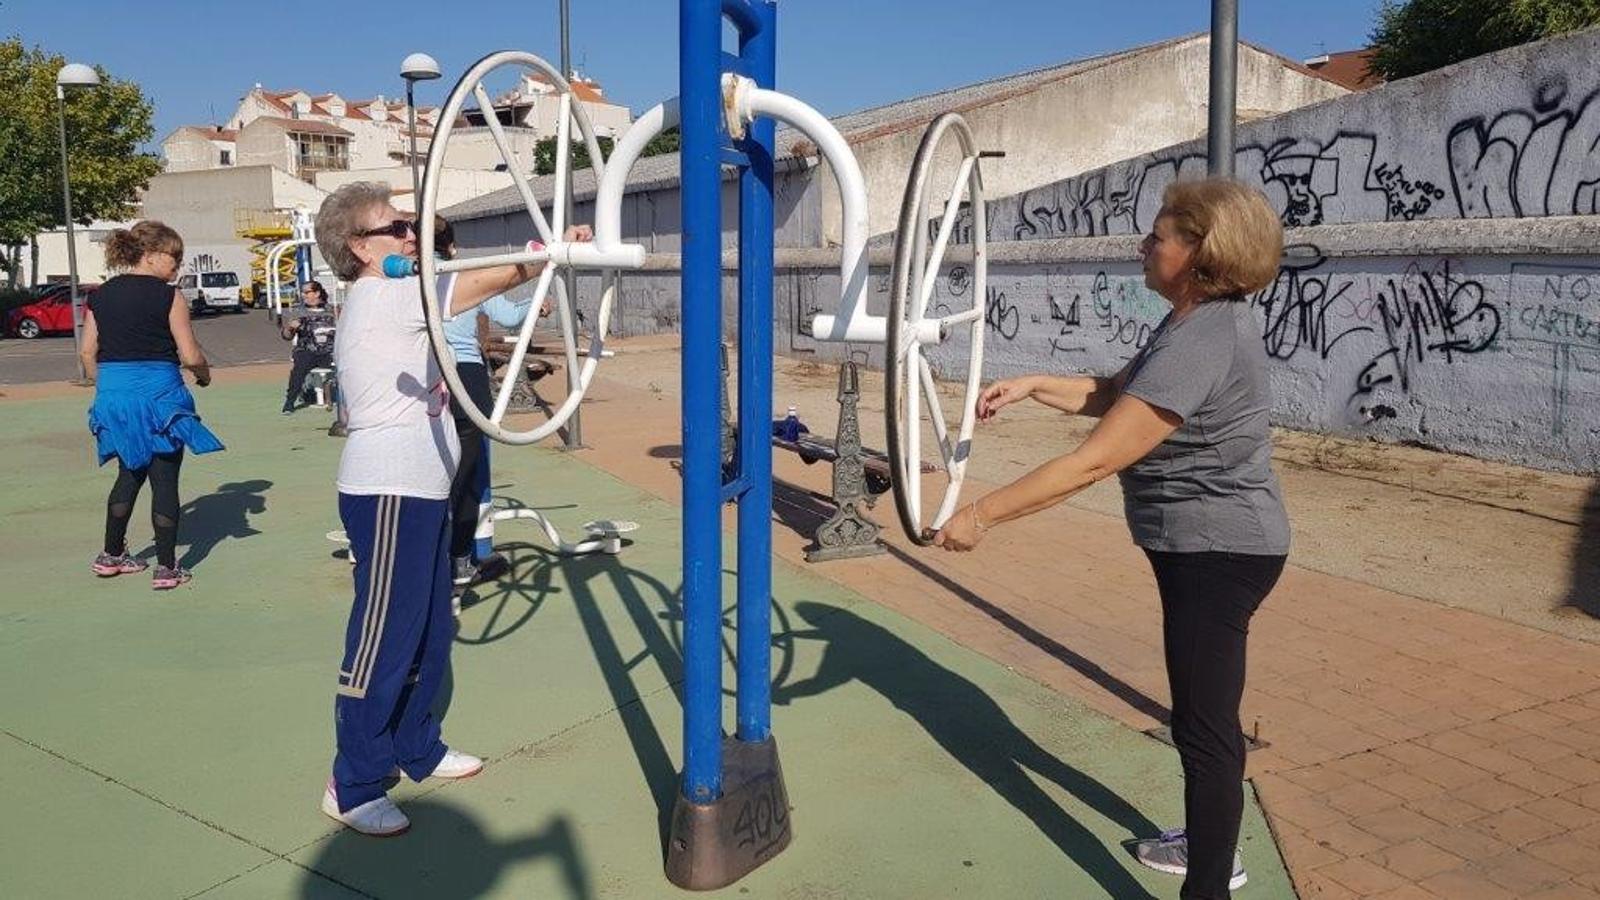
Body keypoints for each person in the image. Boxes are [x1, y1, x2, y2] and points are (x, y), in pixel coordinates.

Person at [933, 177, 1289, 900]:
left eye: (1157, 237)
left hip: (1217, 552)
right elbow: (1112, 393)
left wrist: (981, 516)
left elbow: (1096, 458)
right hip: (1204, 545)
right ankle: (1210, 842)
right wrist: (1034, 383)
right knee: (1202, 719)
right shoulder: (1191, 322)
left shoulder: (1207, 336)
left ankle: (1211, 881)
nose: (1143, 246)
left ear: (1197, 251)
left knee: (1204, 726)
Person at [313, 181, 592, 836]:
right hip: (386, 491)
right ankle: (351, 783)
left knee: (432, 626)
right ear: (358, 248)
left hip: (421, 490)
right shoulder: (383, 294)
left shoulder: (397, 292)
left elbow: (477, 284)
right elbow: (474, 285)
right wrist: (544, 252)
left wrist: (539, 256)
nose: (411, 236)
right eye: (395, 229)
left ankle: (417, 745)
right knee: (383, 637)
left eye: (409, 226)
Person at [81, 221, 224, 591]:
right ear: (149, 256)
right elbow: (190, 354)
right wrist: (204, 376)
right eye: (174, 257)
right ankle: (166, 567)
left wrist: (110, 388)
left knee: (129, 473)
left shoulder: (98, 296)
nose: (178, 265)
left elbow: (86, 352)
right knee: (164, 479)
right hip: (160, 394)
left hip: (114, 394)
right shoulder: (169, 296)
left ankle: (111, 555)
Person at [434, 215, 551, 587]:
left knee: (429, 464)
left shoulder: (407, 279)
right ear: (452, 247)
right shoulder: (464, 276)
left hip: (424, 373)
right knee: (468, 469)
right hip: (465, 374)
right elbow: (512, 317)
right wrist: (539, 300)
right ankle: (460, 560)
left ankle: (427, 554)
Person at [280, 279, 337, 414]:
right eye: (302, 293)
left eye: (307, 292)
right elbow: (286, 336)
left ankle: (346, 398)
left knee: (346, 365)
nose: (304, 295)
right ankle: (290, 401)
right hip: (307, 350)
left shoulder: (332, 311)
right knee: (299, 369)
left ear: (317, 293)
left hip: (329, 351)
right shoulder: (298, 312)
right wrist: (290, 328)